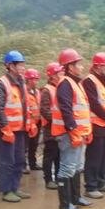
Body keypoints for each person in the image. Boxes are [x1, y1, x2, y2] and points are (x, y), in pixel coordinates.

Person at [52, 48, 93, 209]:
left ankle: (76, 198)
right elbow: (66, 110)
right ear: (70, 67)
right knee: (67, 168)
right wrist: (73, 131)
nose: (82, 67)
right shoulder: (65, 84)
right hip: (69, 134)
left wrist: (86, 131)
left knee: (76, 167)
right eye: (78, 64)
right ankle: (65, 204)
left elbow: (81, 110)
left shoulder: (75, 84)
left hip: (79, 134)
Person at [0, 50, 29, 203]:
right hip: (7, 130)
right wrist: (5, 128)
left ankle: (15, 187)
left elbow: (24, 105)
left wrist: (29, 123)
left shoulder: (21, 82)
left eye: (23, 64)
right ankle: (7, 190)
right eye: (19, 64)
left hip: (20, 129)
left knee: (19, 160)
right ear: (10, 66)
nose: (22, 67)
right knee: (7, 161)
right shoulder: (1, 84)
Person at [81, 52, 105, 199]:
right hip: (95, 125)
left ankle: (101, 182)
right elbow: (94, 103)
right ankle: (91, 186)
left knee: (103, 157)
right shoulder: (89, 81)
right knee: (94, 157)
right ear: (97, 66)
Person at [40, 62, 63, 190]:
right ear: (53, 75)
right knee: (50, 155)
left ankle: (59, 178)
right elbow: (44, 110)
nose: (62, 74)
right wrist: (56, 121)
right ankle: (48, 179)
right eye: (59, 73)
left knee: (59, 155)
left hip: (60, 129)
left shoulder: (59, 88)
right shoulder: (47, 90)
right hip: (50, 129)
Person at [24, 68, 42, 173]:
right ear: (28, 80)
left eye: (36, 79)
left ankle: (33, 163)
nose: (35, 82)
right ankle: (23, 165)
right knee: (25, 145)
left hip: (37, 121)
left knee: (34, 144)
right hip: (28, 122)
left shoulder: (37, 92)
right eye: (33, 79)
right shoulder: (24, 92)